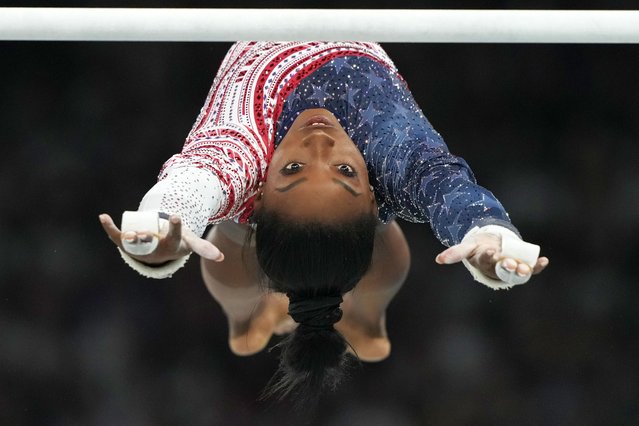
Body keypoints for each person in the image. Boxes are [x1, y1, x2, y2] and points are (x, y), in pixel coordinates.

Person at [99, 41, 549, 403]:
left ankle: (250, 317)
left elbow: (198, 177)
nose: (320, 145)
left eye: (292, 170)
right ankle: (363, 317)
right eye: (346, 172)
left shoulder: (247, 149)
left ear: (258, 196)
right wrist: (486, 230)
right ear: (374, 195)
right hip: (351, 205)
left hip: (263, 210)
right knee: (360, 238)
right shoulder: (389, 151)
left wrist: (162, 224)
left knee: (230, 233)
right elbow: (442, 182)